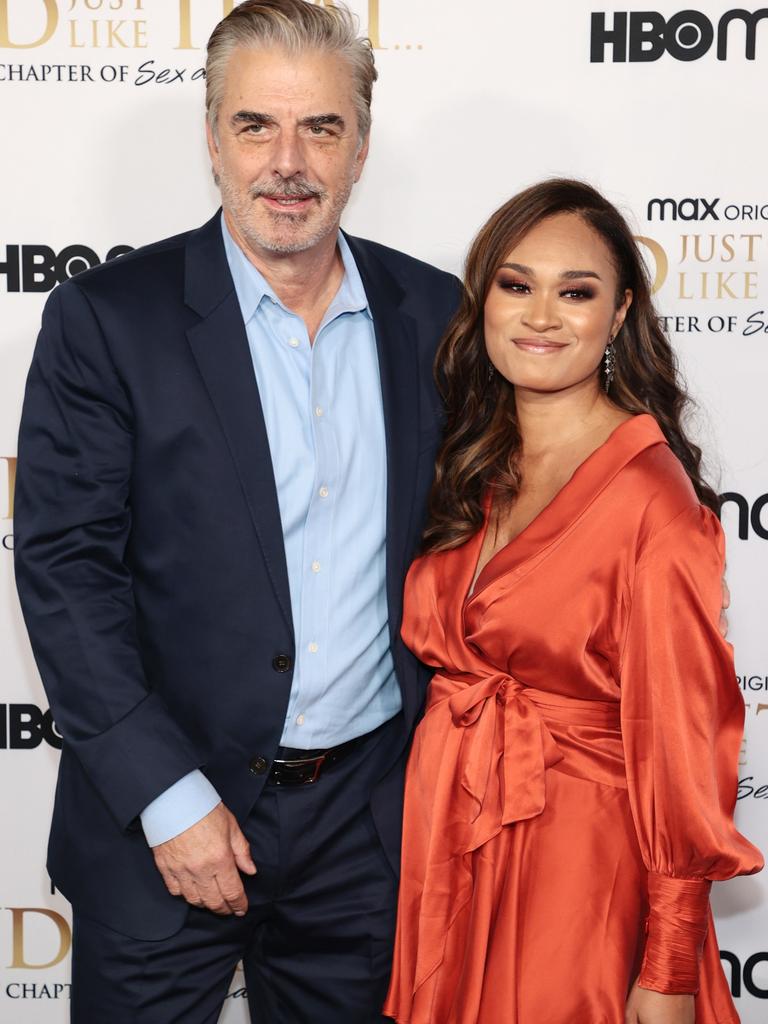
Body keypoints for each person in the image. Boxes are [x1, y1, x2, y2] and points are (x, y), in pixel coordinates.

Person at [13, 2, 460, 1021]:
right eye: (257, 125)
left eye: (323, 128)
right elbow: (65, 572)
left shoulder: (434, 316)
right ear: (213, 136)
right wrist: (169, 800)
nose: (288, 162)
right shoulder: (109, 319)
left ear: (362, 146)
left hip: (366, 835)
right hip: (164, 824)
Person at [382, 179, 763, 1024]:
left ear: (621, 312)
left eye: (576, 291)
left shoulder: (653, 503)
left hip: (579, 868)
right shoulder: (471, 458)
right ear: (483, 300)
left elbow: (683, 750)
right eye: (516, 286)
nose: (541, 316)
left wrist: (665, 965)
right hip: (453, 839)